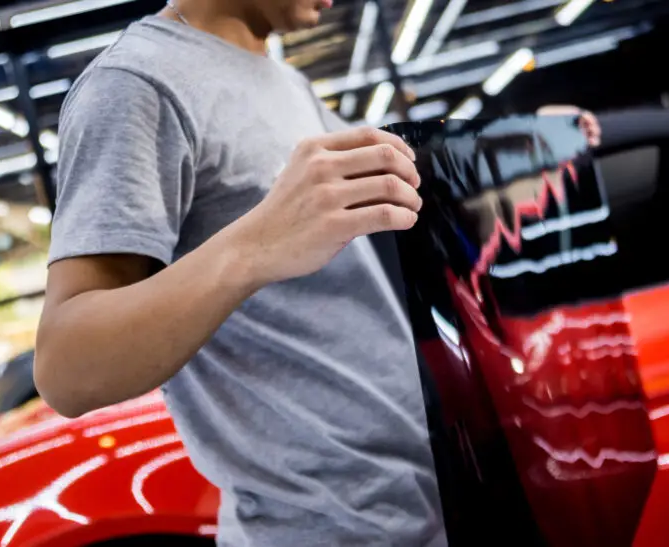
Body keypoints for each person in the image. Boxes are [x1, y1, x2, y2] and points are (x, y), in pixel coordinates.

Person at [33, 0, 446, 545]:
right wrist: (253, 245)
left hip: (415, 500)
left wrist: (518, 160)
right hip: (326, 527)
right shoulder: (137, 84)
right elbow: (67, 368)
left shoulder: (282, 77)